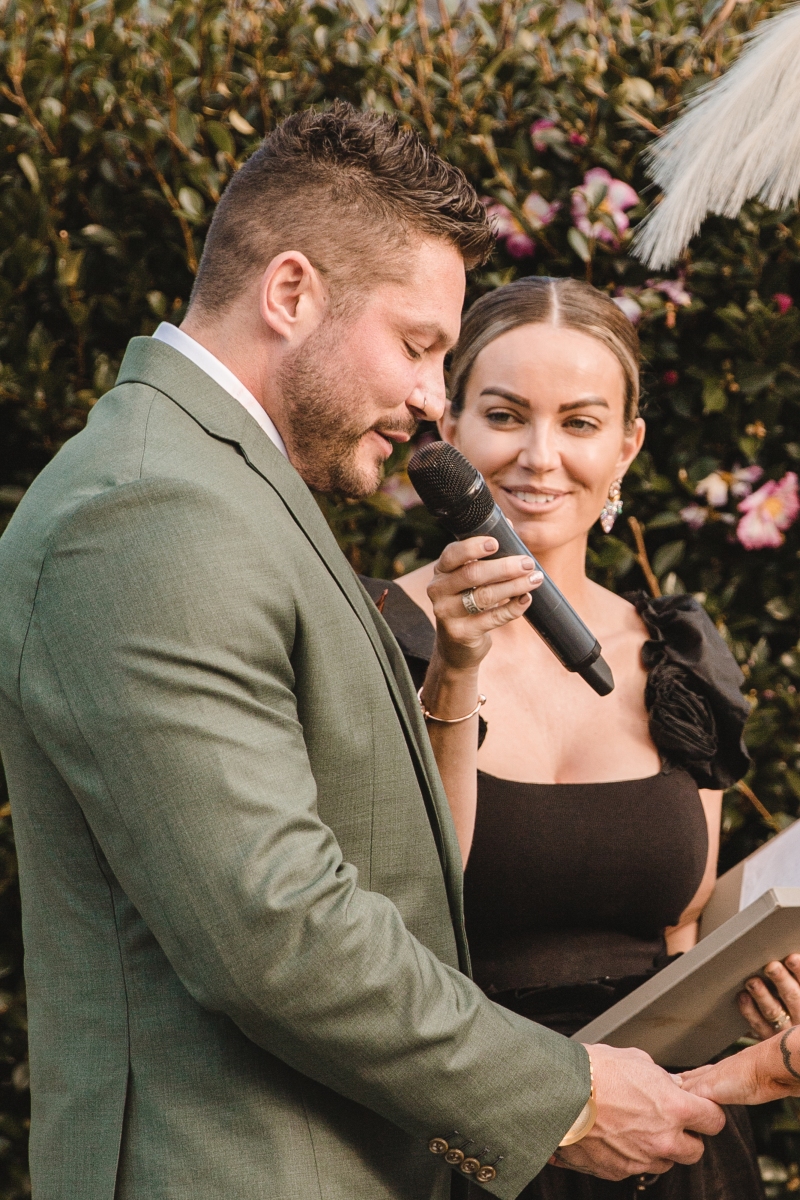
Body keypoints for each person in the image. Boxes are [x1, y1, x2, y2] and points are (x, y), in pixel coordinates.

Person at [0, 107, 724, 1200]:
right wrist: (565, 1096)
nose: (432, 397)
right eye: (420, 345)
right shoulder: (148, 508)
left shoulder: (224, 488)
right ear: (290, 293)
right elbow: (273, 929)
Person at [365, 274, 788, 1198]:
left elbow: (683, 930)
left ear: (627, 446)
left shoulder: (678, 656)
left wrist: (765, 990)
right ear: (448, 427)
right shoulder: (368, 635)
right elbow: (401, 912)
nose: (539, 457)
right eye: (504, 415)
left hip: (668, 1144)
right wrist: (456, 665)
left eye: (581, 422)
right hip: (469, 1145)